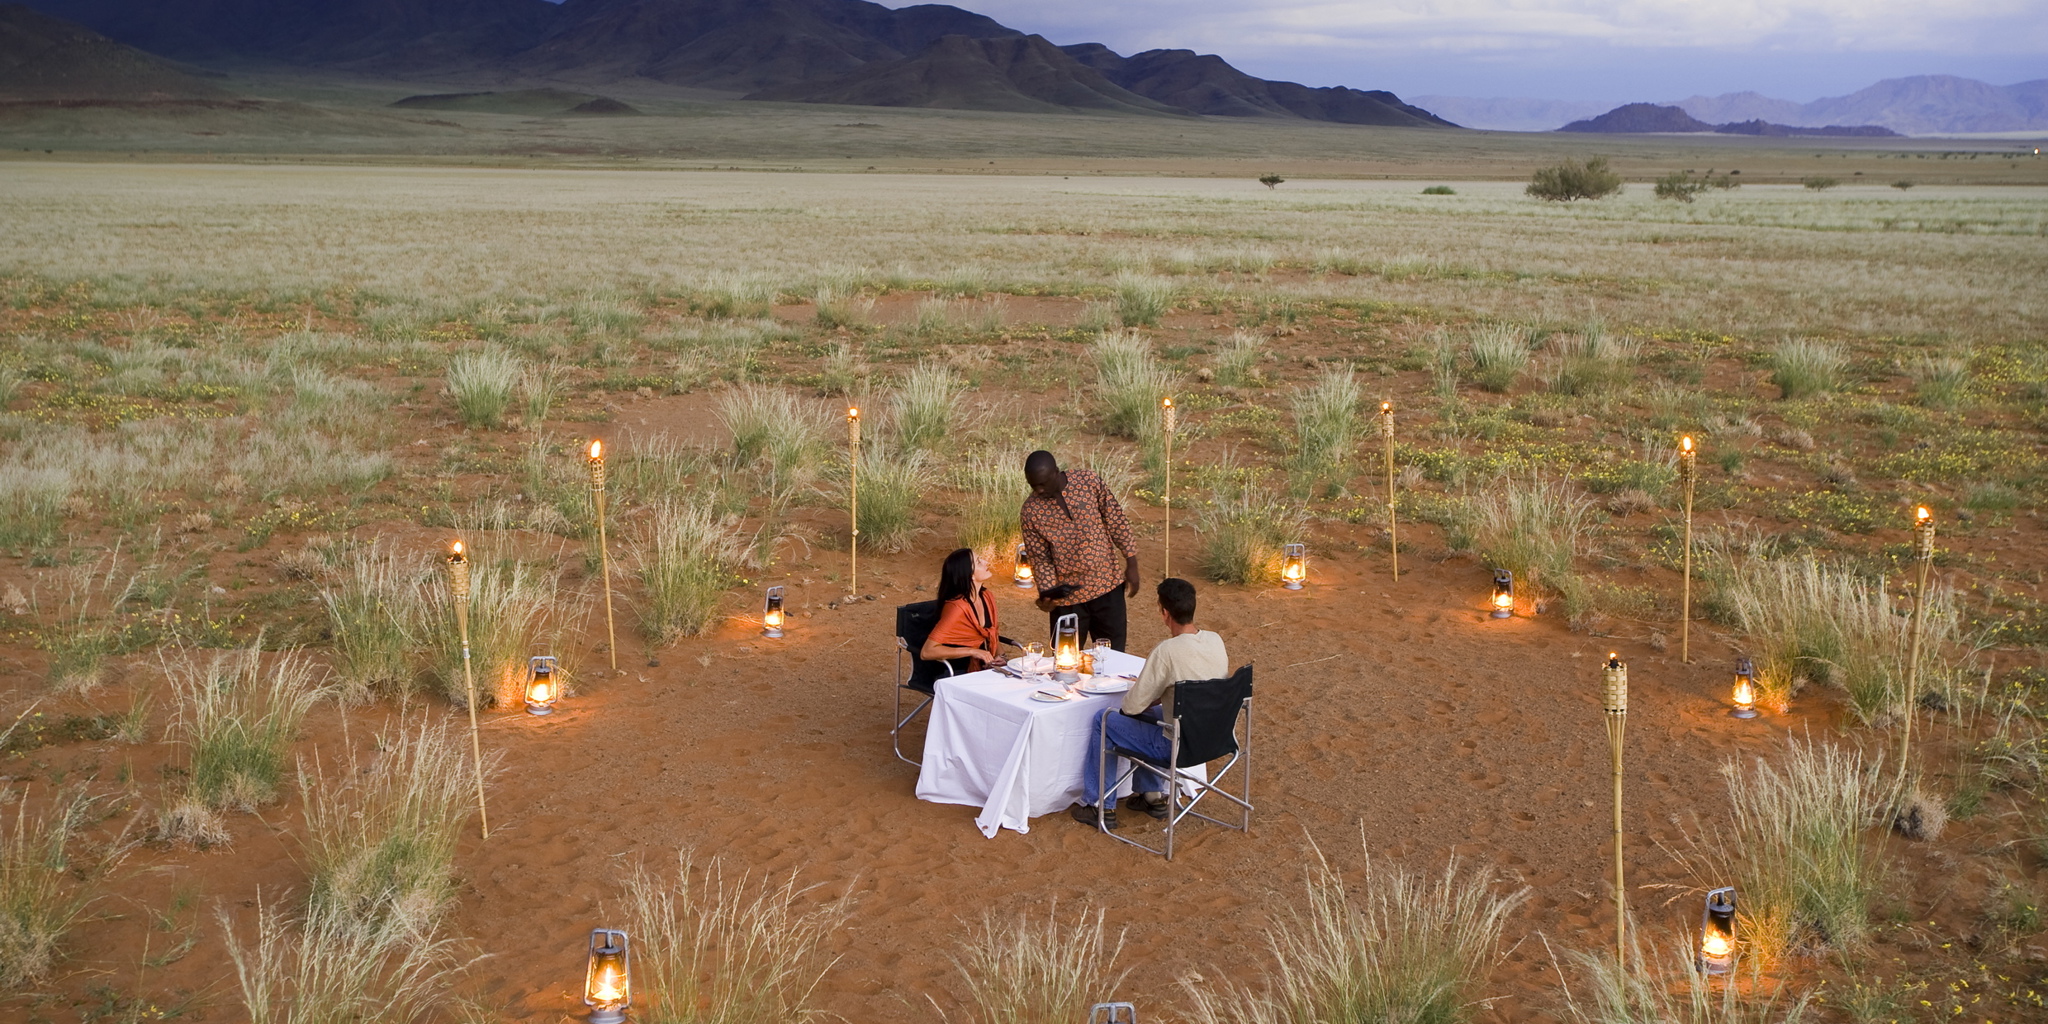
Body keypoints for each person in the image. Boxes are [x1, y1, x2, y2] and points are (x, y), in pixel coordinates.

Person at [1071, 578, 1228, 830]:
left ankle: (1100, 805)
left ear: (1164, 612)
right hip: (1213, 737)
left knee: (1105, 719)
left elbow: (1130, 707)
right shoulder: (1215, 640)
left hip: (1176, 745)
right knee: (1157, 713)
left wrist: (1144, 693)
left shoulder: (1167, 651)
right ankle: (1151, 795)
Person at [1020, 450, 1139, 652]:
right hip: (1068, 599)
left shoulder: (1088, 481)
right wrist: (1047, 594)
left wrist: (1131, 562)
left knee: (1113, 656)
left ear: (1056, 472)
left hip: (1106, 586)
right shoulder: (1030, 511)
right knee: (1066, 660)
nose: (1038, 490)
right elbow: (1040, 559)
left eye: (1042, 483)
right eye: (1033, 485)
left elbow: (1115, 518)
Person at [921, 547, 1006, 670]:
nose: (986, 562)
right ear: (969, 575)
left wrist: (1002, 657)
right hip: (955, 669)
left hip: (983, 665)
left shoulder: (987, 596)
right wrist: (973, 651)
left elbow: (992, 633)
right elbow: (927, 652)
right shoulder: (958, 607)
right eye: (978, 562)